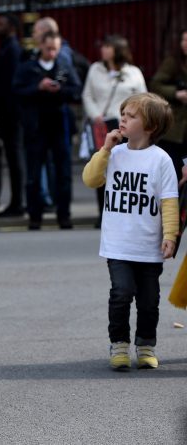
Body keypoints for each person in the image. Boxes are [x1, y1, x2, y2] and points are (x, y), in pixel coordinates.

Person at [81, 93, 178, 370]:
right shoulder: (114, 154)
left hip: (148, 246)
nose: (123, 118)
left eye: (132, 116)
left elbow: (169, 202)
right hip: (118, 245)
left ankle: (146, 344)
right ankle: (119, 344)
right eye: (123, 113)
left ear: (150, 127)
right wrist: (105, 149)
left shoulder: (161, 160)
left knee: (149, 301)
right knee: (121, 293)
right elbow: (90, 179)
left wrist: (170, 236)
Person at [12, 31, 81, 229]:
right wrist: (38, 87)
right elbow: (17, 91)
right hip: (35, 126)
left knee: (63, 172)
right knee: (33, 172)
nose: (52, 53)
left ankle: (64, 215)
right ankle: (35, 216)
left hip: (59, 123)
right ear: (40, 46)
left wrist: (60, 90)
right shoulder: (28, 68)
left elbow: (77, 90)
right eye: (49, 48)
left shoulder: (64, 67)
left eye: (56, 49)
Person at [81, 34, 147, 223]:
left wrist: (130, 118)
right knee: (101, 166)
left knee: (125, 170)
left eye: (108, 46)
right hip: (102, 126)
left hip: (125, 127)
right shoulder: (95, 69)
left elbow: (143, 100)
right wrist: (95, 115)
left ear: (118, 50)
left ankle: (124, 212)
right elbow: (87, 95)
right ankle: (103, 212)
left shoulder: (133, 72)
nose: (103, 49)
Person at [0, 14, 26, 217]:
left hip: (12, 113)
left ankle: (18, 203)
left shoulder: (12, 50)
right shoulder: (7, 48)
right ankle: (17, 201)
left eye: (0, 24)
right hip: (7, 112)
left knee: (15, 157)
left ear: (11, 27)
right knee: (14, 157)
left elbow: (9, 85)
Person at [149, 29, 187, 181]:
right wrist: (176, 93)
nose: (185, 44)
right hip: (176, 128)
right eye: (183, 40)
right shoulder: (173, 62)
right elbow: (155, 84)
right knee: (174, 171)